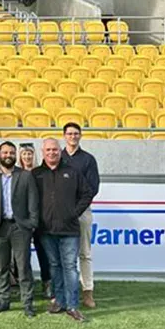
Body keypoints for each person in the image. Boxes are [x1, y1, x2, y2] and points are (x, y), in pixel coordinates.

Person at [33, 138, 93, 322]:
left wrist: (73, 213)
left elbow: (87, 193)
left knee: (70, 267)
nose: (52, 153)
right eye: (48, 150)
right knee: (54, 266)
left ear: (60, 151)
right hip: (46, 230)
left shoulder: (72, 171)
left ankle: (72, 305)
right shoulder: (36, 174)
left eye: (55, 150)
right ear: (43, 152)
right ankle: (59, 301)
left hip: (69, 230)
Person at [0, 141, 40, 317]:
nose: (8, 155)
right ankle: (3, 301)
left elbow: (33, 202)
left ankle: (27, 303)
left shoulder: (25, 176)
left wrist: (32, 224)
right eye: (5, 153)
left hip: (20, 227)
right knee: (2, 267)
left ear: (16, 155)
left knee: (23, 267)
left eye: (11, 153)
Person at [60, 122, 100, 309]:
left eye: (76, 133)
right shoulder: (56, 157)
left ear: (80, 136)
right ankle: (63, 292)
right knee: (63, 255)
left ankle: (88, 292)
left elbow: (93, 189)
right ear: (64, 136)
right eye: (70, 134)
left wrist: (75, 210)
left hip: (82, 212)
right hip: (60, 214)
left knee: (85, 253)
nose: (73, 137)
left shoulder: (88, 159)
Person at [19, 143, 51, 298]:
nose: (27, 157)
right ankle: (25, 285)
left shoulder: (40, 173)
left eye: (29, 154)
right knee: (22, 255)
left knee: (43, 252)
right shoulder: (16, 173)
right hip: (21, 220)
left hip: (40, 220)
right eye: (24, 154)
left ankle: (47, 283)